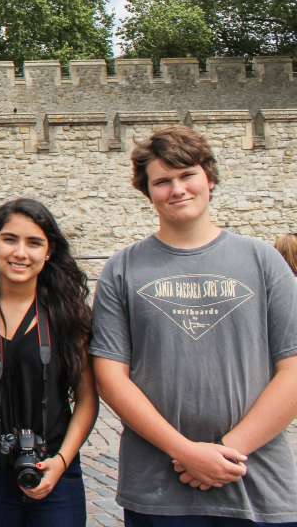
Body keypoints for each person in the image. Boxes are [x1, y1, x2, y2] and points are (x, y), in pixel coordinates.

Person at [91, 126, 297, 526]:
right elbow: (111, 375)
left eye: (187, 175)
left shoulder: (264, 262)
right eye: (162, 181)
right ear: (148, 192)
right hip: (157, 488)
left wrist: (228, 451)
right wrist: (185, 451)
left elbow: (292, 368)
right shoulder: (123, 269)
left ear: (210, 178)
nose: (177, 189)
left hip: (257, 483)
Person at [0, 199, 97, 527]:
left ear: (48, 252)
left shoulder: (67, 312)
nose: (20, 253)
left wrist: (62, 460)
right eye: (10, 239)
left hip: (53, 463)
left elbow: (87, 398)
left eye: (34, 243)